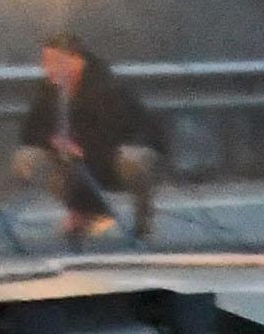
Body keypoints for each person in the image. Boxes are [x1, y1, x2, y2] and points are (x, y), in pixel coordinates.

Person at [15, 32, 165, 242]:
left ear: (76, 60)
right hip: (70, 161)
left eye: (54, 61)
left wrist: (78, 148)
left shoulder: (107, 86)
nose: (47, 68)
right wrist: (54, 141)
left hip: (112, 159)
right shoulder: (48, 88)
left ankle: (142, 224)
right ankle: (86, 212)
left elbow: (114, 135)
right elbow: (30, 131)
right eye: (46, 62)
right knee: (28, 158)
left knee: (135, 159)